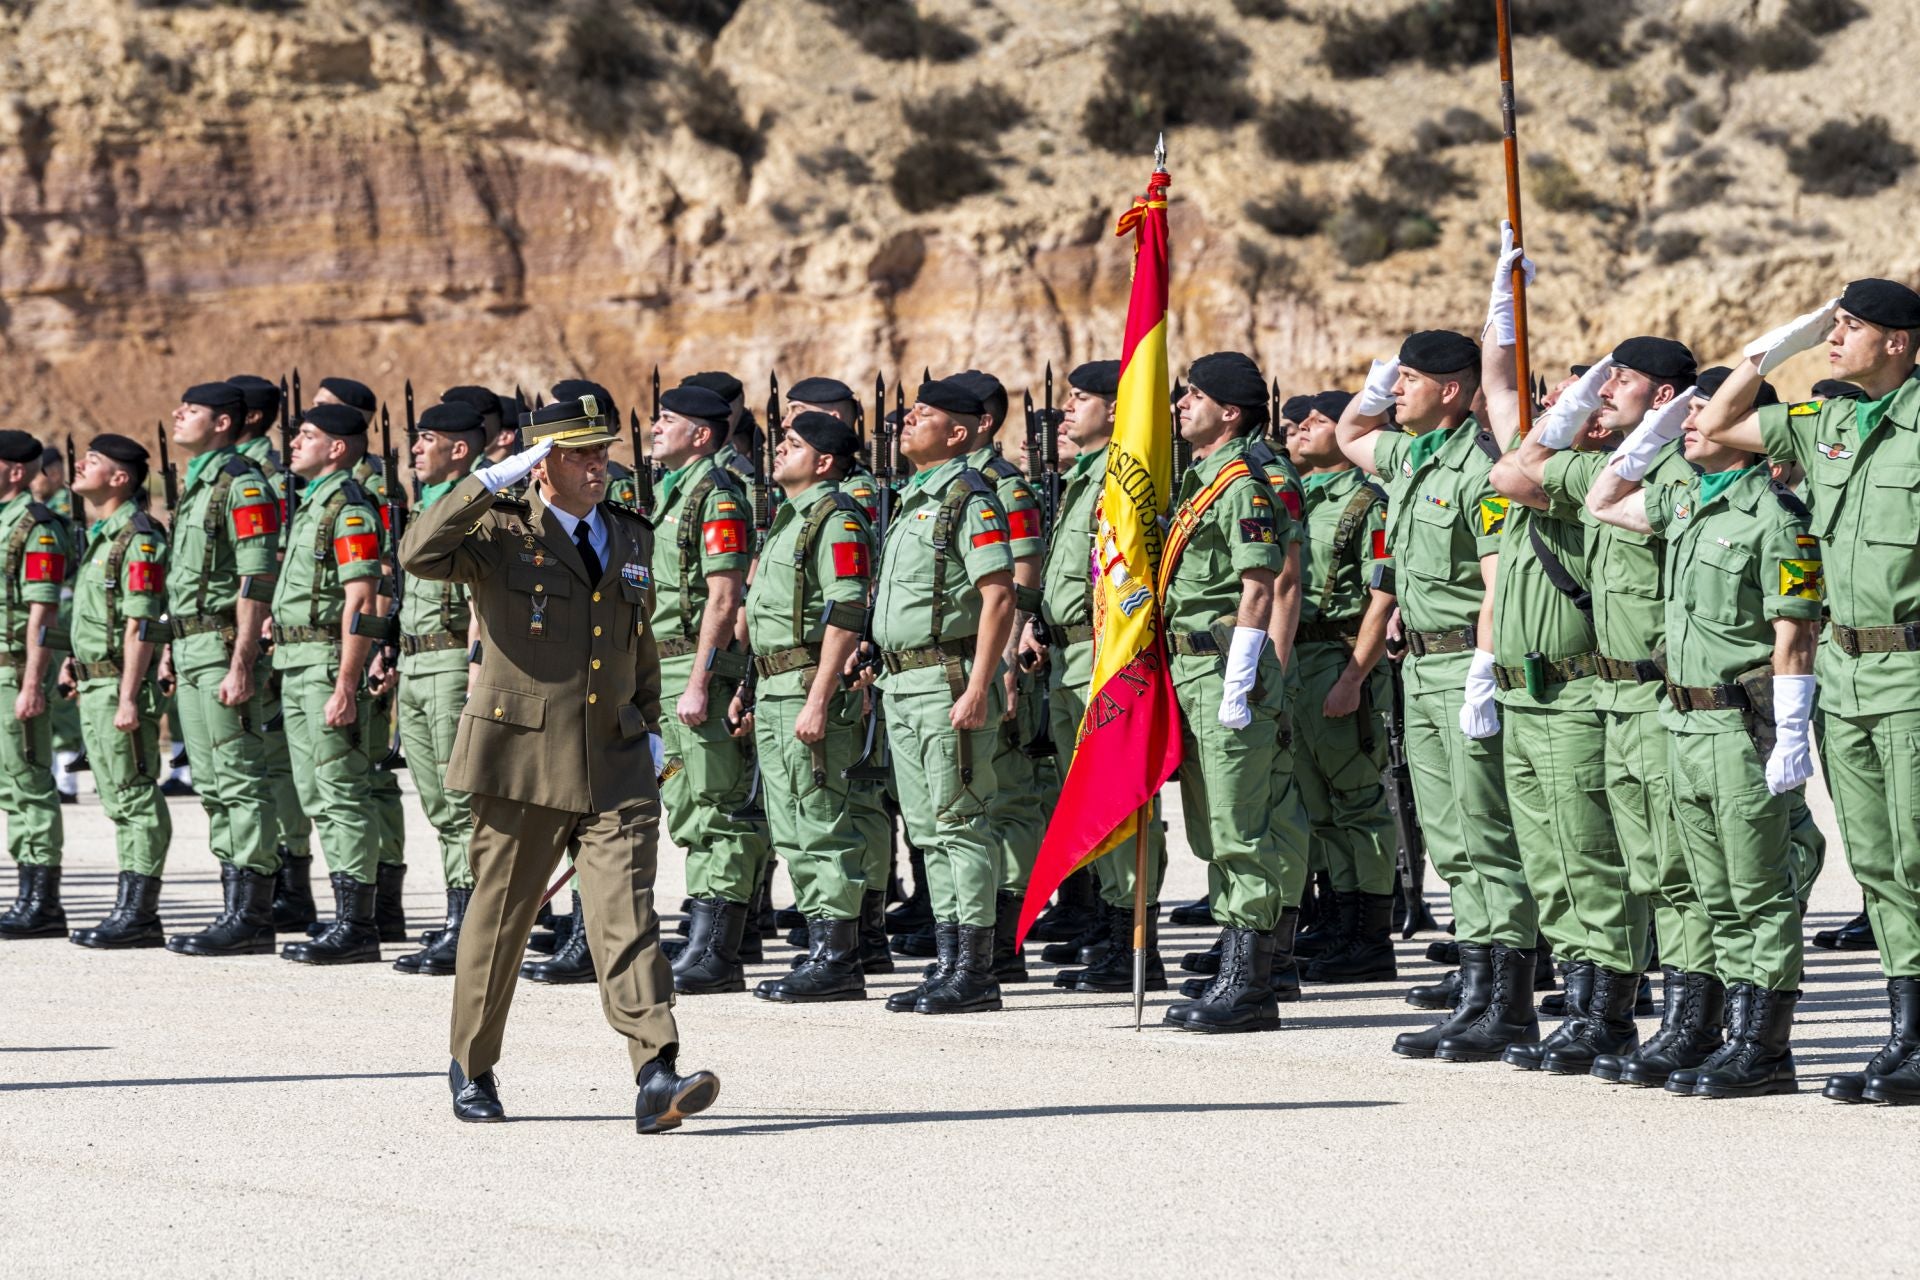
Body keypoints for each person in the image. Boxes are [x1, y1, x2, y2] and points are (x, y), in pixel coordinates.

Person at [401, 395, 720, 1133]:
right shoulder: (500, 533)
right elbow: (419, 552)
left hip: (613, 756)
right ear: (541, 465)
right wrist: (489, 480)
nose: (596, 464)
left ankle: (656, 1072)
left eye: (601, 450)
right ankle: (473, 1066)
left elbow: (637, 643)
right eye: (578, 453)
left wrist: (648, 724)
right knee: (501, 916)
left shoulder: (629, 536)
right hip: (520, 758)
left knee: (628, 917)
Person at [1696, 278, 1920, 1106]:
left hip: (1911, 669)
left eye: (1849, 328)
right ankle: (1906, 1038)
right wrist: (1772, 351)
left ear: (1898, 341)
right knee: (1880, 864)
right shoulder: (1824, 423)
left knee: (1919, 854)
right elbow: (1716, 425)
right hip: (1848, 675)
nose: (1835, 338)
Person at [1586, 372, 1820, 1097]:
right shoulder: (1686, 501)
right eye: (1685, 417)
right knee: (1711, 891)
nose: (1692, 426)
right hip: (1679, 719)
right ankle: (1719, 1034)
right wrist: (1653, 432)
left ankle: (1764, 1047)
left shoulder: (1777, 519)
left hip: (1737, 727)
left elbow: (1795, 634)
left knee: (1758, 892)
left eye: (1708, 417)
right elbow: (1602, 500)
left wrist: (1790, 732)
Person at [1336, 331, 1536, 1059]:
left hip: (1460, 667)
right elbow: (1348, 430)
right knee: (1452, 842)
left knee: (1485, 834)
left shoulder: (1479, 466)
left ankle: (1509, 1006)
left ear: (1450, 391)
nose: (1396, 391)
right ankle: (1476, 992)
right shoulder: (1412, 459)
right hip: (1416, 670)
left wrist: (1485, 669)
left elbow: (1496, 583)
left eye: (1411, 379)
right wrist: (1384, 364)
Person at [1157, 353, 1298, 1033]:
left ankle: (1249, 983)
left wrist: (1241, 675)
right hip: (1191, 667)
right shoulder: (1203, 479)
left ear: (1231, 412)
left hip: (1222, 668)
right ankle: (1235, 969)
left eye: (1194, 396)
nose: (1182, 404)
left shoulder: (1242, 482)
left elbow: (1260, 584)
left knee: (1241, 827)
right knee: (1213, 826)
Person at [1022, 360, 1171, 992]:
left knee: (1121, 804)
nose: (1064, 411)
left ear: (1115, 409)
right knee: (1088, 802)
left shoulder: (1122, 479)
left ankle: (1134, 944)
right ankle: (1112, 933)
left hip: (1106, 661)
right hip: (1068, 659)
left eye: (1078, 399)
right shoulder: (1084, 479)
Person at [871, 377, 1016, 1015]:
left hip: (945, 680)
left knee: (961, 821)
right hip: (901, 680)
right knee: (930, 828)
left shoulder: (967, 499)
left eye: (922, 414)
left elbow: (999, 595)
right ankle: (950, 959)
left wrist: (981, 684)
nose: (906, 419)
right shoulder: (914, 499)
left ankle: (977, 971)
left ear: (958, 433)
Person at [740, 411, 878, 1002]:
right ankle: (821, 946)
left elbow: (847, 612)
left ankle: (839, 958)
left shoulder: (836, 518)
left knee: (820, 820)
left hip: (804, 686)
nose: (779, 451)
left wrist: (819, 698)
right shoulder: (788, 520)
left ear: (824, 462)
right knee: (791, 826)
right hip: (775, 687)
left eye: (793, 445)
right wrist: (750, 688)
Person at [648, 384, 766, 995]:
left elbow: (724, 595)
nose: (655, 426)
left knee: (718, 806)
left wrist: (700, 680)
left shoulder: (715, 495)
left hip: (696, 670)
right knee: (688, 805)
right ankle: (704, 938)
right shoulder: (675, 495)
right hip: (664, 667)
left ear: (701, 434)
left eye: (669, 420)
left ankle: (718, 951)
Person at [160, 384, 286, 957]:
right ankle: (234, 904)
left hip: (219, 645)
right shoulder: (201, 483)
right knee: (210, 783)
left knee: (238, 777)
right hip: (189, 645)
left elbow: (256, 578)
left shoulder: (243, 481)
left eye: (191, 411)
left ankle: (253, 915)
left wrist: (242, 661)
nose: (178, 416)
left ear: (223, 423)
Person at [271, 404, 391, 965]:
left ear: (338, 448)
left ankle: (356, 924)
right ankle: (345, 916)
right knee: (318, 792)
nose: (295, 443)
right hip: (296, 660)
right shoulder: (312, 505)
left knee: (341, 791)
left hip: (324, 663)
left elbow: (362, 600)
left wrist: (346, 682)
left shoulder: (348, 510)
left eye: (309, 435)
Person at [1286, 390, 1398, 983]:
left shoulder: (1366, 502)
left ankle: (1369, 933)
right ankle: (1337, 917)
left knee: (1357, 801)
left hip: (1336, 655)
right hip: (1298, 660)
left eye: (1318, 421)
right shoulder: (1298, 496)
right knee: (1319, 804)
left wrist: (1355, 674)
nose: (1301, 428)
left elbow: (1384, 593)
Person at [949, 368, 1048, 983]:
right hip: (961, 658)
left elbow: (1021, 573)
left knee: (1008, 795)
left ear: (981, 423)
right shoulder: (948, 487)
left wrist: (1009, 660)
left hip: (999, 655)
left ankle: (1005, 936)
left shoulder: (1002, 486)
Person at [391, 402, 491, 975]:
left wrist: (479, 669)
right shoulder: (427, 504)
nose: (416, 450)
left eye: (427, 439)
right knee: (436, 801)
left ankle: (472, 925)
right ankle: (459, 917)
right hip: (415, 663)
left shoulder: (478, 503)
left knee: (463, 801)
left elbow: (481, 597)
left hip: (455, 663)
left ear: (459, 449)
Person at [63, 435, 173, 948]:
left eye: (94, 461)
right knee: (116, 797)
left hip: (118, 685)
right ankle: (128, 906)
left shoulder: (138, 537)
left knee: (134, 796)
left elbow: (140, 626)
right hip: (96, 681)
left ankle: (140, 913)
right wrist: (74, 662)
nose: (80, 465)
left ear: (120, 478)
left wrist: (130, 696)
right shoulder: (105, 535)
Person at [226, 373, 317, 923]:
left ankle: (290, 881)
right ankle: (286, 881)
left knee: (274, 762)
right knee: (270, 760)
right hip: (270, 626)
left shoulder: (256, 474)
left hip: (270, 626)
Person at [0, 431, 73, 938]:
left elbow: (42, 612)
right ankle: (27, 894)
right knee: (9, 785)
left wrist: (32, 682)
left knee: (29, 782)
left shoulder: (36, 526)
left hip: (15, 669)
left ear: (15, 471)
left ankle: (42, 903)